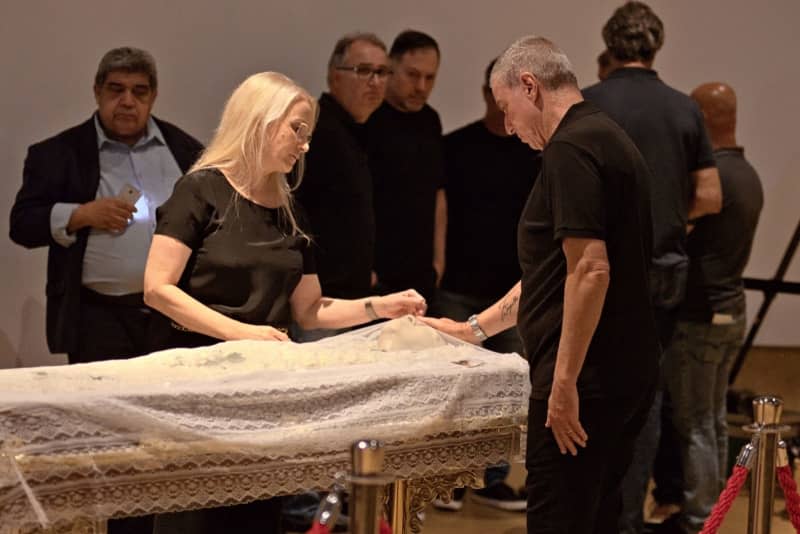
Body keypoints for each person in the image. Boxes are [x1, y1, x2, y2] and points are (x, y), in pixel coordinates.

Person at [143, 71, 426, 534]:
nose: (305, 145)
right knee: (194, 518)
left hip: (263, 391)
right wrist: (243, 333)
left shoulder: (288, 206)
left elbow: (310, 309)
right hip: (198, 389)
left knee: (256, 515)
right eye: (297, 130)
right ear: (260, 120)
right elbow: (157, 288)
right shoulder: (200, 190)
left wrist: (379, 306)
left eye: (309, 134)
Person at [422, 36, 660, 534]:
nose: (508, 126)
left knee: (560, 519)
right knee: (599, 518)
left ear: (529, 85)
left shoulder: (570, 149)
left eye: (507, 108)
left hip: (585, 382)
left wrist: (564, 382)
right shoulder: (607, 136)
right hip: (623, 372)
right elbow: (550, 274)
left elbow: (591, 270)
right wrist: (475, 328)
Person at [582, 3, 723, 529]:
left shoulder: (588, 104)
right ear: (655, 46)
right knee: (645, 398)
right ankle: (628, 518)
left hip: (598, 270)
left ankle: (593, 513)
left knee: (588, 390)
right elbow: (709, 196)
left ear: (609, 43)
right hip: (663, 272)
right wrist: (669, 220)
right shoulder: (685, 109)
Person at [9, 47, 203, 365]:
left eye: (139, 92)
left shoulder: (186, 150)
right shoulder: (58, 154)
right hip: (98, 318)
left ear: (153, 96)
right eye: (116, 90)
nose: (128, 101)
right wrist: (79, 215)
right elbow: (22, 225)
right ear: (97, 92)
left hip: (176, 316)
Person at [431, 57, 540, 513]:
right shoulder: (456, 147)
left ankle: (491, 477)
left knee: (505, 390)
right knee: (454, 390)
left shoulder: (536, 153)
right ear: (486, 93)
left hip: (513, 291)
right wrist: (436, 265)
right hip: (459, 283)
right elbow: (438, 210)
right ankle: (448, 478)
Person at [657, 82, 763, 534]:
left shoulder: (712, 177)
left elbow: (674, 229)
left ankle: (700, 517)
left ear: (701, 117)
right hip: (731, 310)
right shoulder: (748, 174)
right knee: (714, 419)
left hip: (701, 316)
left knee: (696, 421)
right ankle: (711, 511)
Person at [294, 32, 390, 341]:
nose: (375, 82)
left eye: (381, 72)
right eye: (363, 71)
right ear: (334, 76)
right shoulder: (314, 130)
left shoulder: (361, 131)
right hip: (319, 304)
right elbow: (290, 213)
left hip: (355, 298)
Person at [367, 30, 446, 302]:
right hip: (376, 275)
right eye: (413, 75)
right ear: (390, 69)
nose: (422, 87)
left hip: (421, 274)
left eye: (430, 77)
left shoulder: (430, 121)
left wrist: (438, 262)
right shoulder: (368, 117)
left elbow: (437, 193)